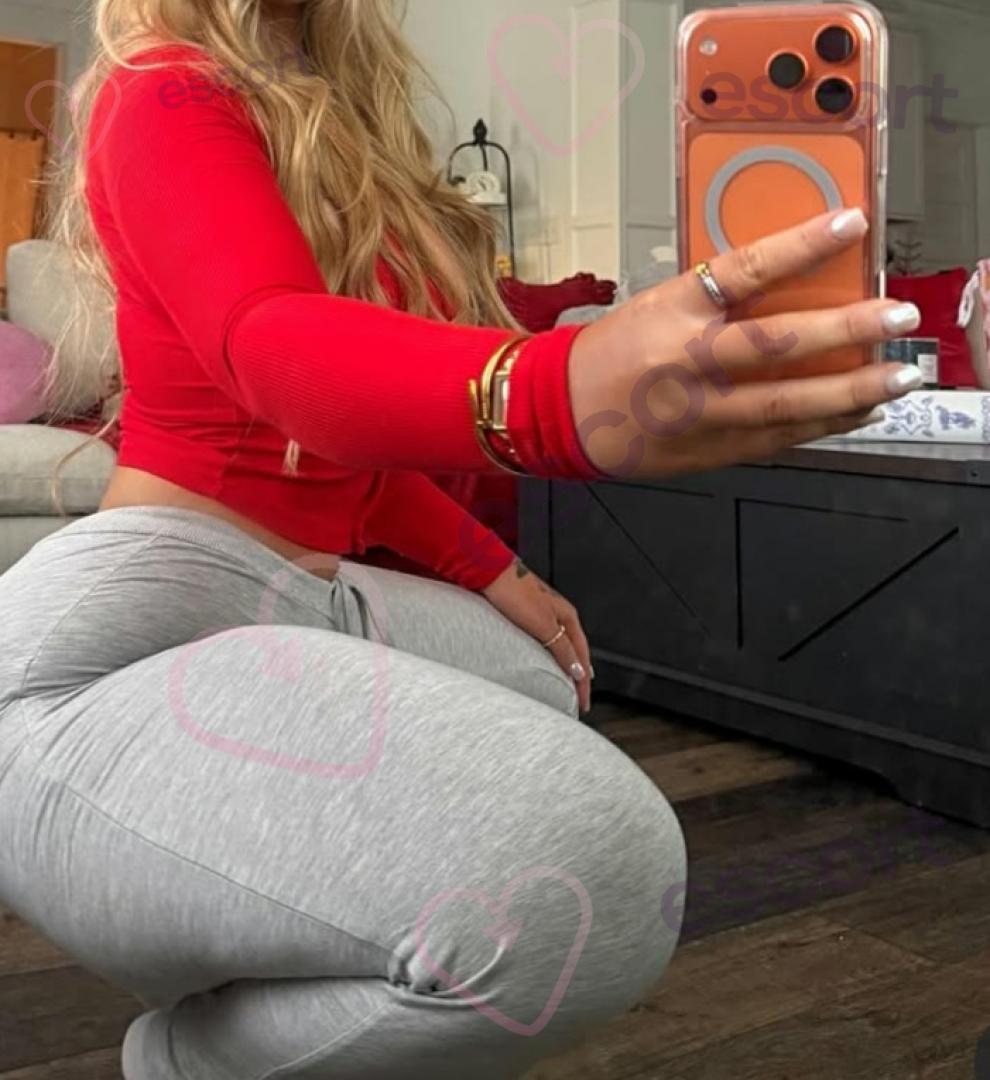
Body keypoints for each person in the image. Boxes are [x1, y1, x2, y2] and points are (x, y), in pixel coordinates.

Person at [0, 1, 924, 1077]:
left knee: (538, 678)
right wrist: (558, 389)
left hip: (312, 588)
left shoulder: (331, 106)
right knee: (591, 881)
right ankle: (186, 1059)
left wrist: (496, 566)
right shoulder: (159, 84)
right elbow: (276, 349)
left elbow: (329, 455)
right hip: (132, 625)